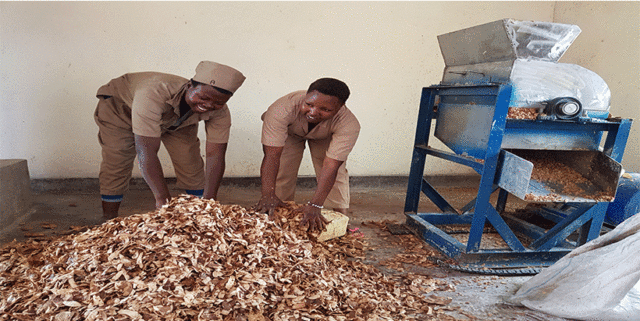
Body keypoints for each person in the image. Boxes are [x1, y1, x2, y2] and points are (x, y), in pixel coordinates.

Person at [94, 61, 245, 220]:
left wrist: (211, 200)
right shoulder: (152, 93)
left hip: (178, 118)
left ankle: (200, 215)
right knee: (117, 159)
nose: (208, 105)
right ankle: (109, 219)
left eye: (218, 102)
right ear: (189, 86)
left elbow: (216, 155)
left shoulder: (220, 112)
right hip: (121, 111)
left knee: (189, 160)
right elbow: (146, 151)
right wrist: (163, 200)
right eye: (203, 97)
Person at [255, 78, 360, 232]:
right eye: (308, 104)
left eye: (325, 109)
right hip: (290, 132)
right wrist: (267, 194)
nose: (313, 112)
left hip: (326, 135)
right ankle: (278, 213)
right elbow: (272, 156)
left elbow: (331, 165)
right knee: (284, 167)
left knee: (335, 173)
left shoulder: (348, 124)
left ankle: (339, 219)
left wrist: (315, 205)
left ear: (340, 107)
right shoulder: (281, 109)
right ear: (305, 97)